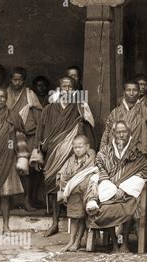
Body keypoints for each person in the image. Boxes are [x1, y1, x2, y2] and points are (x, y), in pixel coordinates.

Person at [31, 76, 95, 237]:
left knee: (74, 186)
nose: (67, 90)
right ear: (59, 89)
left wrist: (90, 152)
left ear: (75, 90)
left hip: (74, 155)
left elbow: (88, 131)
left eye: (70, 87)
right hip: (53, 154)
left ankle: (78, 228)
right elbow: (39, 132)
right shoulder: (49, 109)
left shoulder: (80, 107)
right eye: (64, 86)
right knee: (54, 187)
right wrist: (37, 153)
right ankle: (54, 223)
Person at [88, 121, 147, 253]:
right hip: (109, 191)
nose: (121, 135)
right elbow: (99, 165)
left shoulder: (138, 151)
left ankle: (125, 243)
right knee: (105, 209)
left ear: (130, 133)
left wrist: (124, 189)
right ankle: (115, 243)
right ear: (113, 134)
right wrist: (110, 187)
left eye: (124, 132)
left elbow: (144, 170)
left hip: (127, 193)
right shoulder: (105, 151)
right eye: (118, 132)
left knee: (129, 209)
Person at [0, 87, 30, 232]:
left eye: (2, 97)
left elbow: (17, 137)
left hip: (6, 160)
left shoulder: (13, 116)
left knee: (5, 196)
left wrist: (12, 149)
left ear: (6, 99)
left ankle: (6, 226)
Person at [7, 67, 42, 211]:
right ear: (10, 79)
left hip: (28, 136)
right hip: (9, 136)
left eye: (20, 79)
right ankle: (10, 202)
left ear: (24, 80)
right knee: (8, 168)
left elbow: (38, 115)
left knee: (27, 169)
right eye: (14, 79)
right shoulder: (4, 94)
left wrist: (37, 136)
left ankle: (27, 200)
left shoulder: (29, 94)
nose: (17, 82)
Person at [57, 135, 97, 252]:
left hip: (84, 192)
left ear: (87, 146)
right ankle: (71, 241)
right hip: (73, 193)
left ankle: (78, 241)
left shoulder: (91, 159)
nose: (77, 150)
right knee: (73, 218)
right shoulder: (70, 160)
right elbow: (63, 173)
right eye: (75, 148)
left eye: (80, 147)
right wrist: (61, 177)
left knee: (83, 217)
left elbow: (94, 172)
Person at [100, 80, 147, 155]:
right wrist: (102, 154)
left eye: (134, 90)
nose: (131, 93)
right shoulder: (115, 113)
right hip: (117, 154)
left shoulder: (144, 111)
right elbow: (106, 134)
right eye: (128, 90)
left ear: (138, 93)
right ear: (123, 93)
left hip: (139, 154)